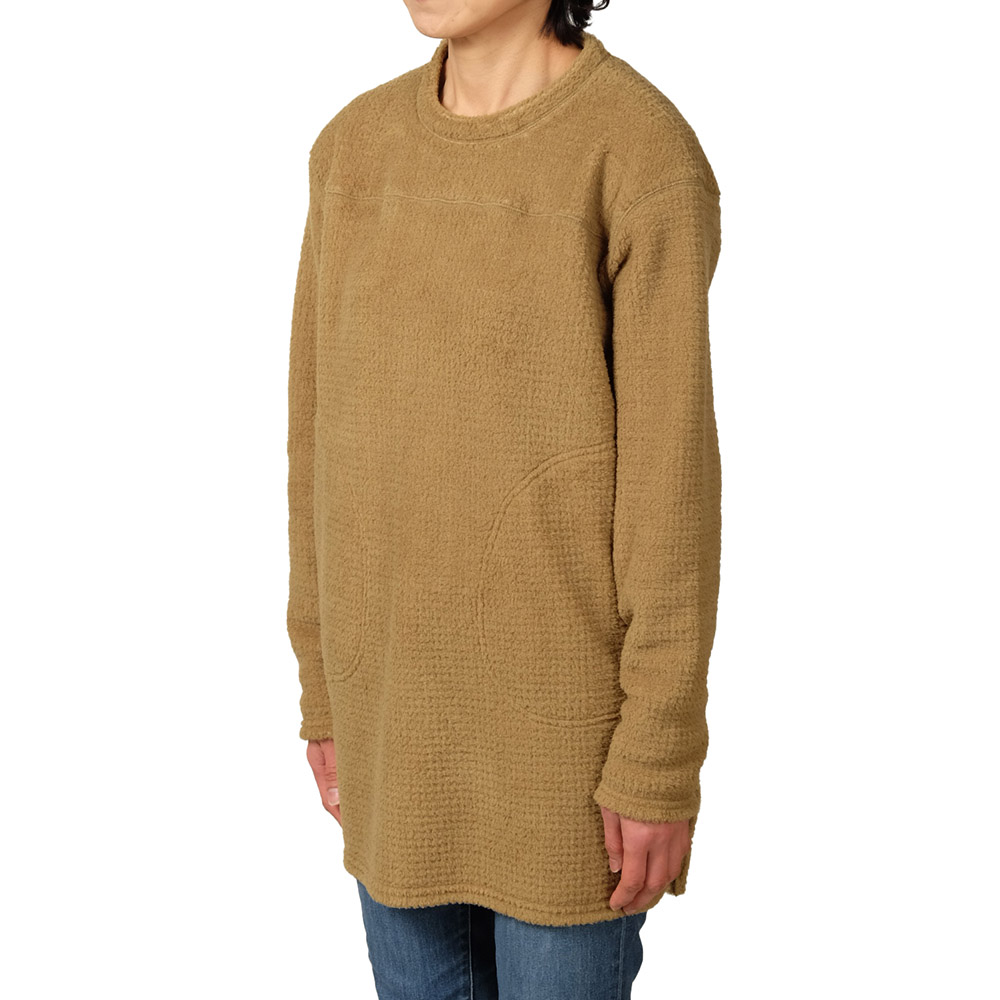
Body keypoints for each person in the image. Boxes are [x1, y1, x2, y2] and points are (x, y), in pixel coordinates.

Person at [286, 1, 723, 996]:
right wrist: (324, 688)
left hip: (565, 764)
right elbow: (319, 449)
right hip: (394, 734)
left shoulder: (637, 153)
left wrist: (658, 753)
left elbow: (671, 496)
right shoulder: (352, 153)